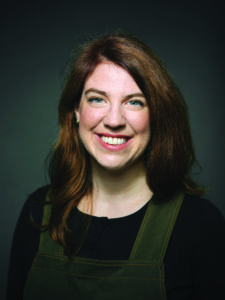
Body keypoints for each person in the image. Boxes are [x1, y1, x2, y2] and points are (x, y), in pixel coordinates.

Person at [7, 31, 225, 300]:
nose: (114, 120)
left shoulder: (200, 224)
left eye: (134, 102)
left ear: (156, 114)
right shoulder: (38, 211)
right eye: (97, 98)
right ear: (76, 110)